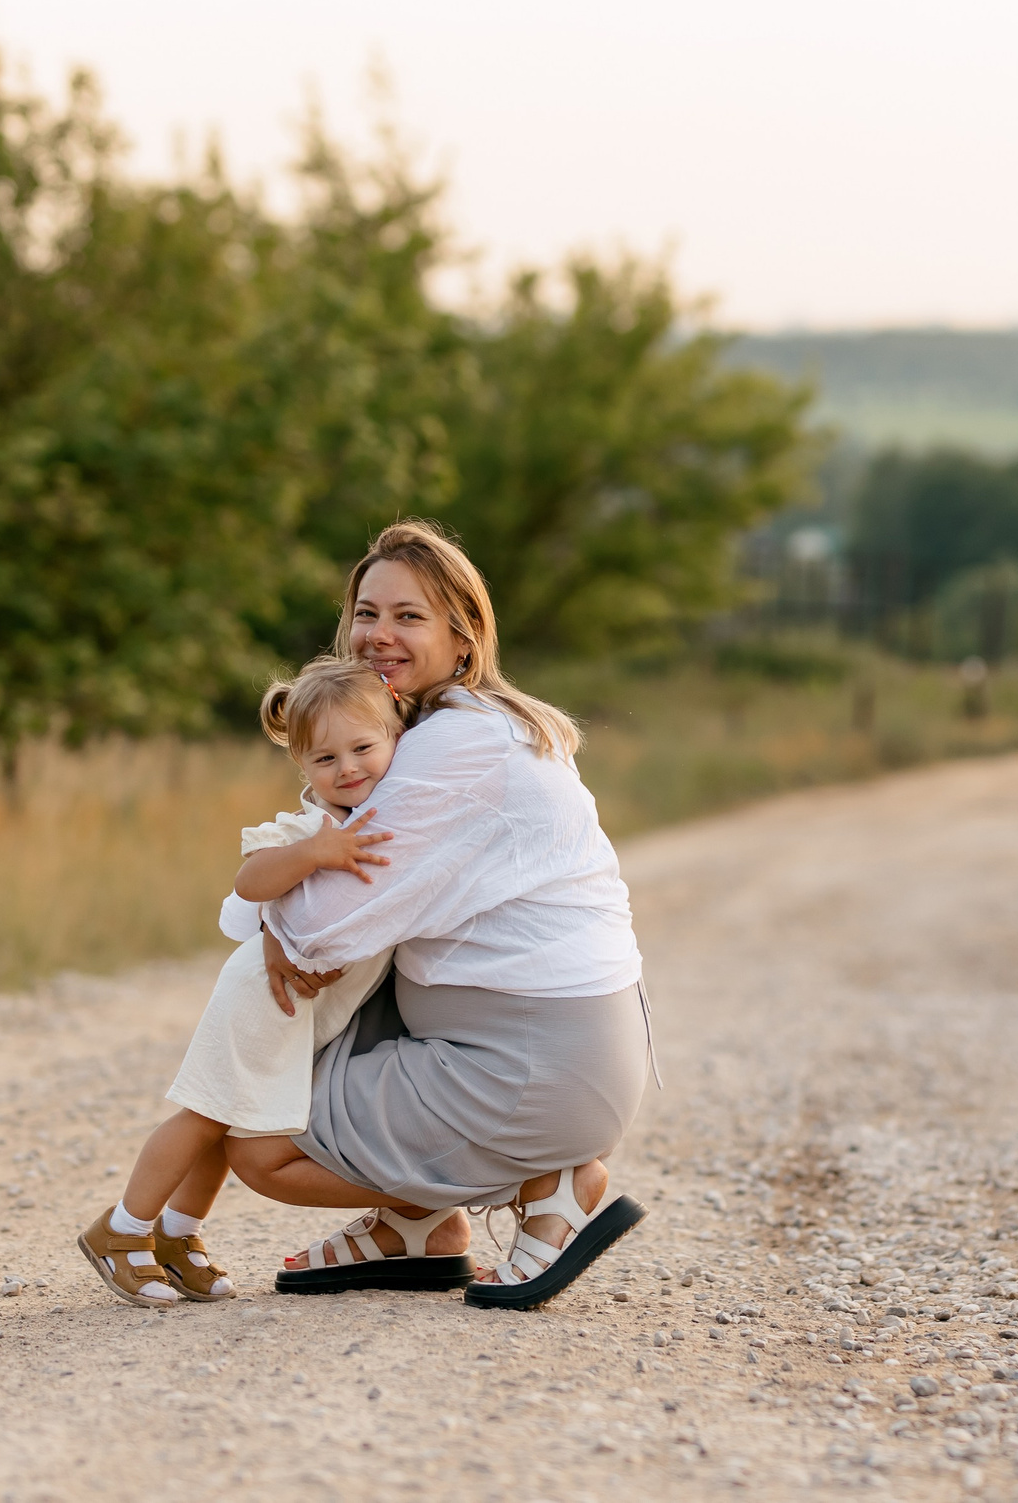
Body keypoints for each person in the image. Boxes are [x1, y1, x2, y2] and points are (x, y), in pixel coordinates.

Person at [234, 519, 655, 1308]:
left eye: (408, 616)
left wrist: (265, 909)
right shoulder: (449, 727)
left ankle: (549, 1175)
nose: (377, 635)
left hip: (529, 1063)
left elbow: (325, 928)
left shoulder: (457, 745)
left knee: (255, 1138)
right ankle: (416, 1225)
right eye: (367, 612)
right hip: (537, 1047)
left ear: (463, 638)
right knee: (313, 1056)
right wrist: (275, 905)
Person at [74, 658, 400, 1307]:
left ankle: (176, 1235)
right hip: (261, 994)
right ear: (303, 766)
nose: (349, 768)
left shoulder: (399, 814)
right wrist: (315, 854)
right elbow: (250, 884)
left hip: (299, 1011)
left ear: (395, 737)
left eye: (363, 747)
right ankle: (121, 1228)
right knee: (206, 1113)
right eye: (326, 758)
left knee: (232, 1124)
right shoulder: (309, 827)